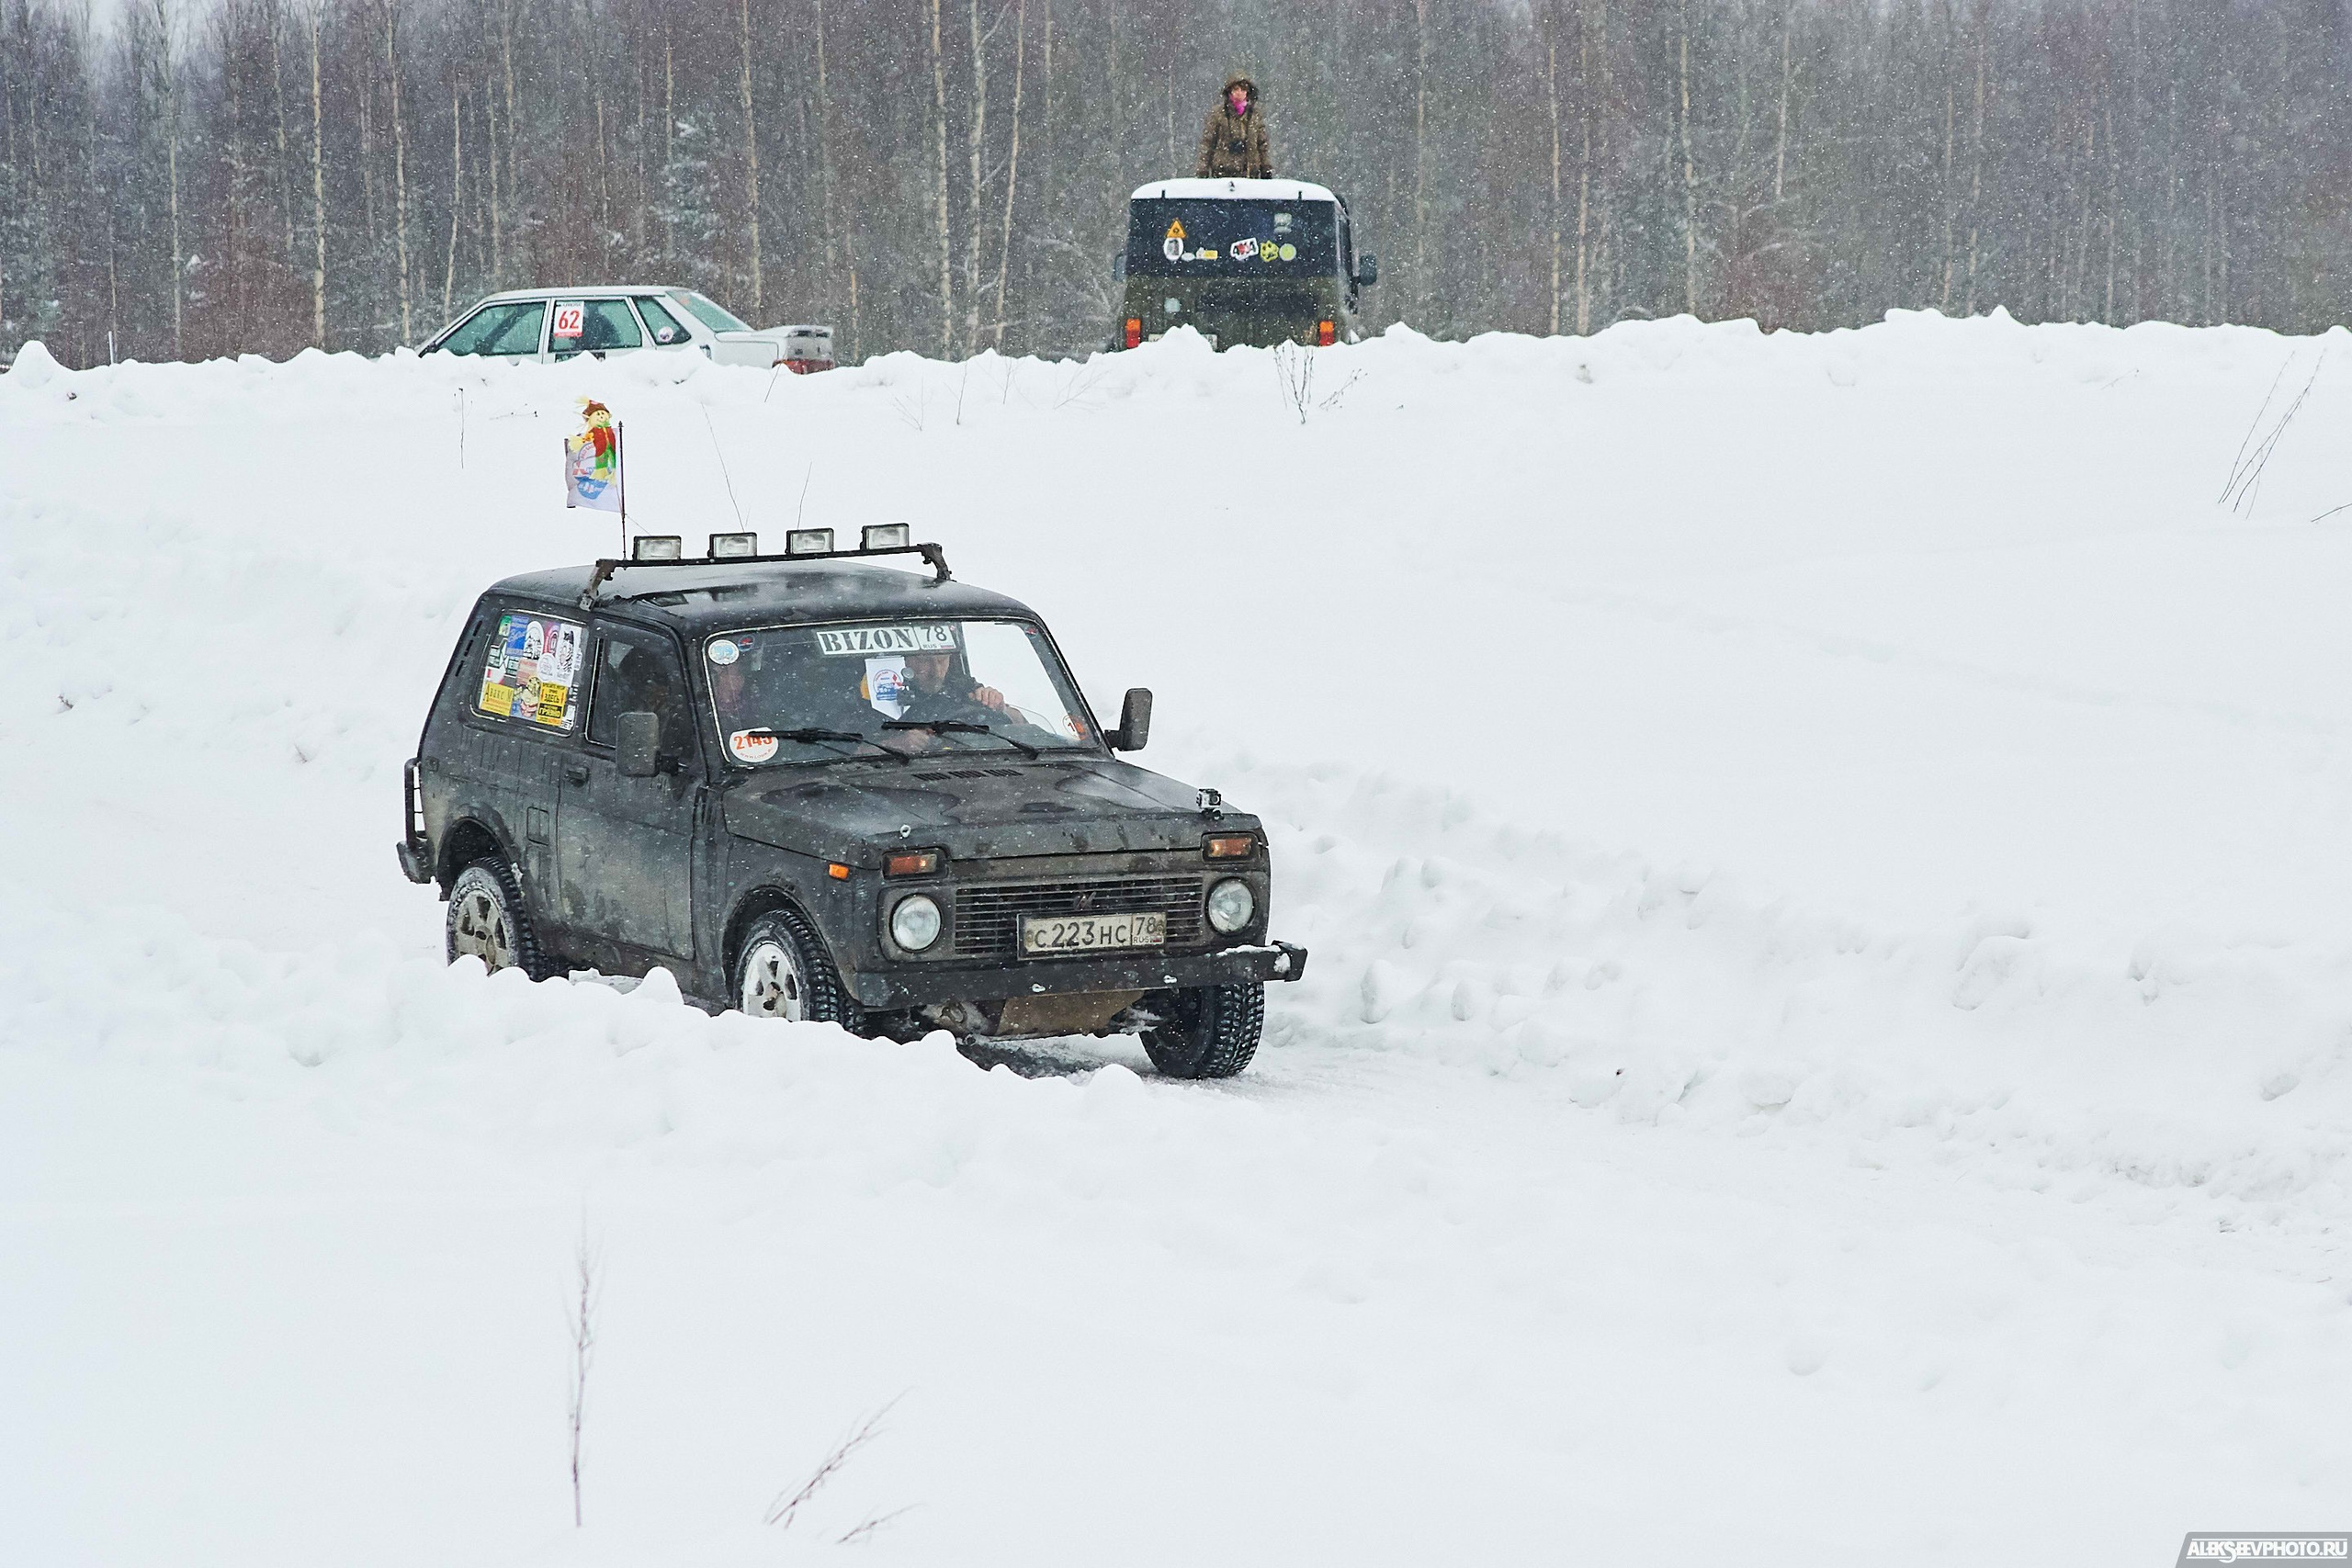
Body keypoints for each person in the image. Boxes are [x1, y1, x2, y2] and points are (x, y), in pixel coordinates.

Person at [1195, 73, 1272, 180]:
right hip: (1222, 174)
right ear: (1230, 91)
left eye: (1243, 89)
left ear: (1248, 92)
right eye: (1236, 89)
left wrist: (1266, 168)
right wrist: (1202, 169)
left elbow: (1262, 144)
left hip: (1249, 174)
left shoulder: (1255, 115)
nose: (1239, 93)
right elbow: (1208, 143)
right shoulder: (1218, 114)